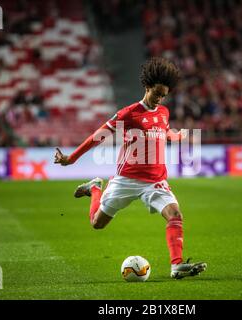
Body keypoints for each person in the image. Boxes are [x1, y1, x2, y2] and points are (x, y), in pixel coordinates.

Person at [54, 57, 207, 279]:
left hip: (155, 181)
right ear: (147, 87)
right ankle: (95, 188)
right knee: (97, 224)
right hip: (126, 180)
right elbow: (98, 136)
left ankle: (177, 265)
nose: (159, 98)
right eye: (157, 93)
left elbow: (164, 132)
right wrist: (72, 158)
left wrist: (178, 135)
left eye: (164, 95)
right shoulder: (129, 113)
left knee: (175, 214)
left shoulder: (163, 113)